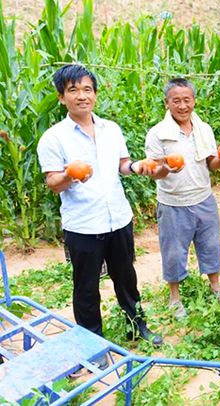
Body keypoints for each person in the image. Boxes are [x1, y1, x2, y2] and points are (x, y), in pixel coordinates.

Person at [37, 64, 162, 346]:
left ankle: (136, 325)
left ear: (94, 94)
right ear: (61, 97)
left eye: (87, 89)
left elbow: (122, 165)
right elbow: (53, 182)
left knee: (126, 278)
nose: (81, 96)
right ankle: (92, 341)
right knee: (86, 287)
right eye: (73, 90)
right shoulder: (53, 138)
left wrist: (138, 166)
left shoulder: (111, 129)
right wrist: (70, 174)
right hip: (83, 224)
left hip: (118, 217)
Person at [144, 78, 220, 319]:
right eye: (176, 101)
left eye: (187, 100)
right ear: (167, 103)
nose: (182, 106)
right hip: (173, 203)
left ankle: (215, 287)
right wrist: (166, 169)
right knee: (173, 251)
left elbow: (211, 164)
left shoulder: (204, 130)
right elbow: (155, 172)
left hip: (203, 198)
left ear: (193, 101)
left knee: (211, 245)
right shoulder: (158, 134)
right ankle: (175, 297)